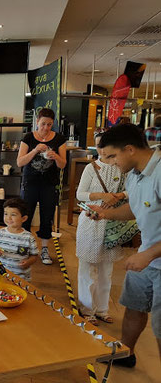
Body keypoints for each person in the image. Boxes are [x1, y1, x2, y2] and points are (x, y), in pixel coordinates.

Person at [87, 124, 160, 367]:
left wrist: (148, 254)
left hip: (153, 256)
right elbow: (135, 208)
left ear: (129, 149)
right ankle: (125, 354)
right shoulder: (134, 176)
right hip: (147, 256)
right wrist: (105, 214)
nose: (108, 162)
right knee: (134, 306)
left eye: (112, 156)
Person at [75, 133, 127, 326]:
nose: (102, 150)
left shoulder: (122, 168)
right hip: (91, 221)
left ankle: (102, 309)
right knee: (87, 268)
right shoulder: (90, 168)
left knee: (107, 269)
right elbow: (80, 194)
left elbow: (131, 190)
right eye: (98, 146)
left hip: (112, 223)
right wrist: (103, 196)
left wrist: (120, 195)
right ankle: (87, 309)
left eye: (105, 146)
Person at [17, 108, 67, 265]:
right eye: (43, 123)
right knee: (25, 216)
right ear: (37, 121)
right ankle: (24, 249)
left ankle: (44, 249)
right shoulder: (28, 138)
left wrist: (56, 156)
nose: (46, 128)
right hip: (30, 183)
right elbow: (20, 162)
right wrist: (35, 150)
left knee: (47, 216)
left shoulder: (59, 139)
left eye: (49, 124)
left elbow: (62, 164)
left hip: (49, 184)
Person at [0, 198, 39, 281]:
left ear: (23, 218)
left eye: (13, 215)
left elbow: (34, 255)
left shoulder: (29, 237)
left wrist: (28, 262)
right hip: (0, 275)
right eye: (6, 214)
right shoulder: (0, 233)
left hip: (20, 277)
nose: (8, 218)